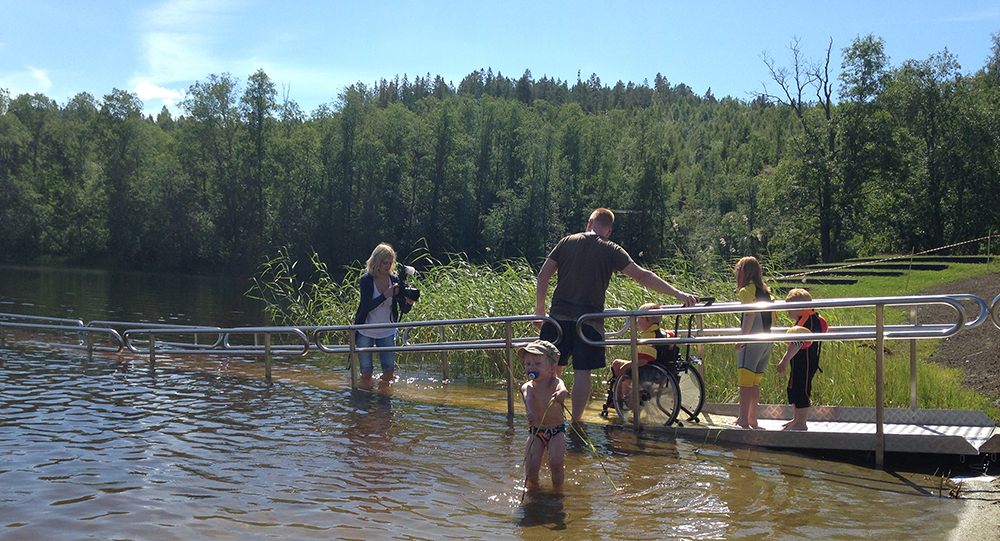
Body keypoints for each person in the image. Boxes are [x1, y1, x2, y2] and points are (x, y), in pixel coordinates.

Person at [534, 208, 699, 422]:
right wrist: (678, 294)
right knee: (582, 373)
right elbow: (642, 276)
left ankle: (546, 419)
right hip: (589, 322)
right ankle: (576, 422)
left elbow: (543, 275)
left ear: (589, 223)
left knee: (551, 370)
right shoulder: (611, 249)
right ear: (609, 231)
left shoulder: (566, 241)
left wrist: (540, 311)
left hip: (557, 319)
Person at [352, 243, 415, 388]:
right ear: (376, 262)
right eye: (384, 263)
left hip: (387, 331)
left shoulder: (394, 280)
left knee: (389, 373)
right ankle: (365, 398)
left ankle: (384, 396)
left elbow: (404, 310)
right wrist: (385, 295)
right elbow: (366, 306)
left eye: (390, 263)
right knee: (366, 373)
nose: (388, 266)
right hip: (366, 331)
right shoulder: (366, 280)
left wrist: (409, 302)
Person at [601, 302, 678, 415]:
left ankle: (621, 398)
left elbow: (644, 360)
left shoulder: (649, 336)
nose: (637, 322)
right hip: (662, 371)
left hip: (647, 371)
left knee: (617, 364)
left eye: (638, 318)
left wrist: (627, 365)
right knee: (627, 367)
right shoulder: (667, 334)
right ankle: (629, 395)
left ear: (646, 320)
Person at [733, 256, 776, 429]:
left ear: (744, 272)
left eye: (737, 271)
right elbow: (773, 318)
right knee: (755, 383)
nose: (736, 275)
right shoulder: (766, 292)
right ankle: (752, 418)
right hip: (766, 341)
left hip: (752, 342)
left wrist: (742, 340)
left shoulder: (746, 291)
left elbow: (750, 316)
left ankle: (742, 419)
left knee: (745, 382)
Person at [776, 288, 828, 431]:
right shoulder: (811, 318)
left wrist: (785, 360)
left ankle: (802, 423)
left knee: (801, 389)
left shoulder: (806, 321)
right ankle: (796, 419)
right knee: (793, 388)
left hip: (805, 361)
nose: (787, 311)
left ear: (798, 307)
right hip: (801, 361)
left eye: (789, 308)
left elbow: (797, 343)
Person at [519, 339, 569, 490]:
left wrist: (561, 394)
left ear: (552, 369)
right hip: (536, 431)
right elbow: (528, 399)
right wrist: (531, 413)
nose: (531, 367)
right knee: (531, 465)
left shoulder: (555, 382)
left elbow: (563, 389)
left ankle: (558, 490)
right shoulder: (528, 386)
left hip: (556, 430)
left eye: (537, 364)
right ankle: (533, 489)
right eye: (528, 364)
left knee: (556, 462)